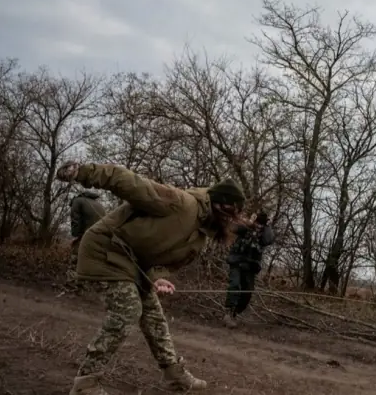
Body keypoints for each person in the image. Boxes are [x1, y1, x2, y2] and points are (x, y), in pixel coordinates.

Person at [55, 160, 246, 395]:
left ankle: (174, 375)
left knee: (153, 316)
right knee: (128, 310)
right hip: (105, 249)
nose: (231, 222)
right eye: (231, 215)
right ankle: (86, 384)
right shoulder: (180, 202)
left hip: (133, 263)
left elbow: (164, 262)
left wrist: (158, 277)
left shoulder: (199, 237)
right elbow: (128, 182)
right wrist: (83, 172)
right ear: (220, 206)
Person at [224, 210, 274, 328]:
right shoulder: (246, 227)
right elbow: (234, 228)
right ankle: (228, 313)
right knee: (234, 285)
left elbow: (269, 240)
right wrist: (250, 222)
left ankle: (234, 313)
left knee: (247, 292)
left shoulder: (264, 233)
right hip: (237, 261)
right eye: (257, 223)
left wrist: (267, 225)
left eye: (260, 224)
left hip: (251, 266)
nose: (258, 226)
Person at [64, 190, 106, 293]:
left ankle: (72, 286)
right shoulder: (98, 204)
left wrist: (75, 236)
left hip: (87, 235)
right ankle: (102, 286)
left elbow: (75, 221)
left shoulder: (77, 201)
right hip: (101, 237)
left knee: (75, 259)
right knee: (96, 261)